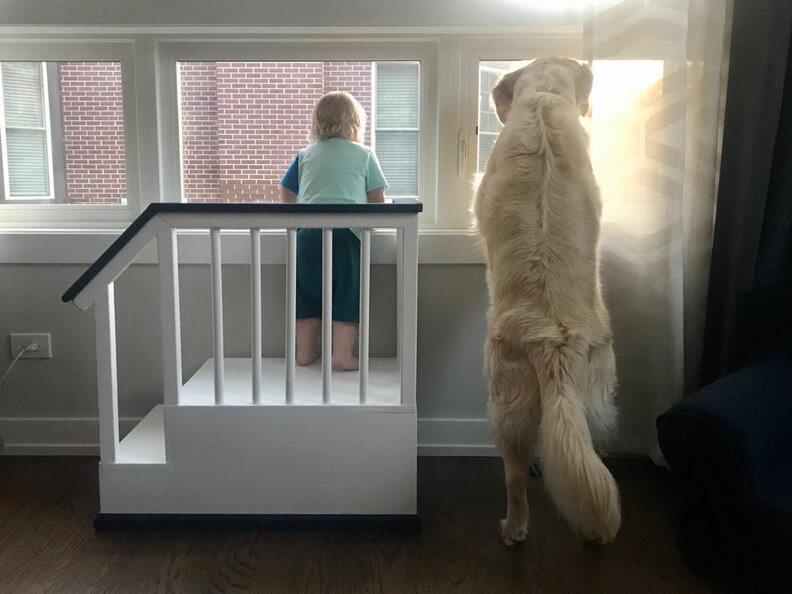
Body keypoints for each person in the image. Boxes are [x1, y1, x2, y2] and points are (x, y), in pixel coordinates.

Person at [279, 91, 388, 371]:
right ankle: (341, 355)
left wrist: (296, 217)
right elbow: (377, 200)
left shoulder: (305, 155)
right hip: (346, 235)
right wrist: (371, 224)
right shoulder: (365, 155)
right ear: (355, 123)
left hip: (307, 235)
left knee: (306, 294)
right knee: (346, 294)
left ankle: (304, 352)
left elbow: (286, 191)